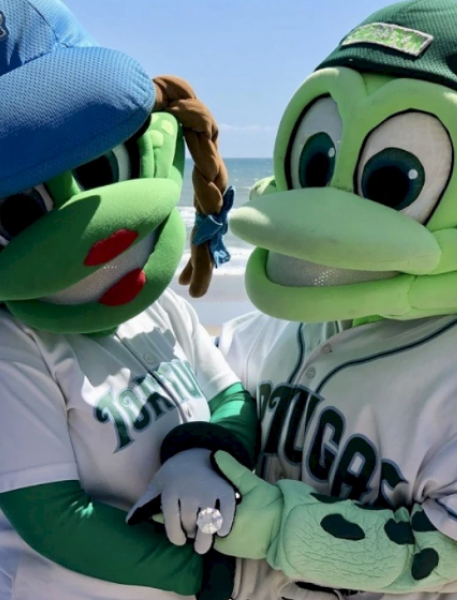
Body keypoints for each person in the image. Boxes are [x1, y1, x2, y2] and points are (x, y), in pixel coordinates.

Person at [134, 1, 457, 600]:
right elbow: (225, 370)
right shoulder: (299, 317)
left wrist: (278, 525)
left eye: (392, 182)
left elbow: (438, 553)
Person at [0, 1, 258, 599]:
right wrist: (216, 579)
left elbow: (229, 392)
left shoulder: (151, 303)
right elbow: (53, 520)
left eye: (100, 168)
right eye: (16, 211)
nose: (95, 234)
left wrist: (206, 447)